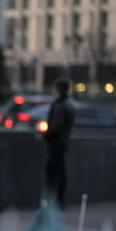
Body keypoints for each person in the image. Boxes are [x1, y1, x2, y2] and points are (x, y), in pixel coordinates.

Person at [43, 78, 75, 210]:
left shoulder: (60, 105)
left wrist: (47, 134)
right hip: (62, 141)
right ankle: (55, 200)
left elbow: (56, 125)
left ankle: (55, 201)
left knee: (55, 171)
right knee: (56, 169)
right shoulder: (67, 104)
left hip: (56, 141)